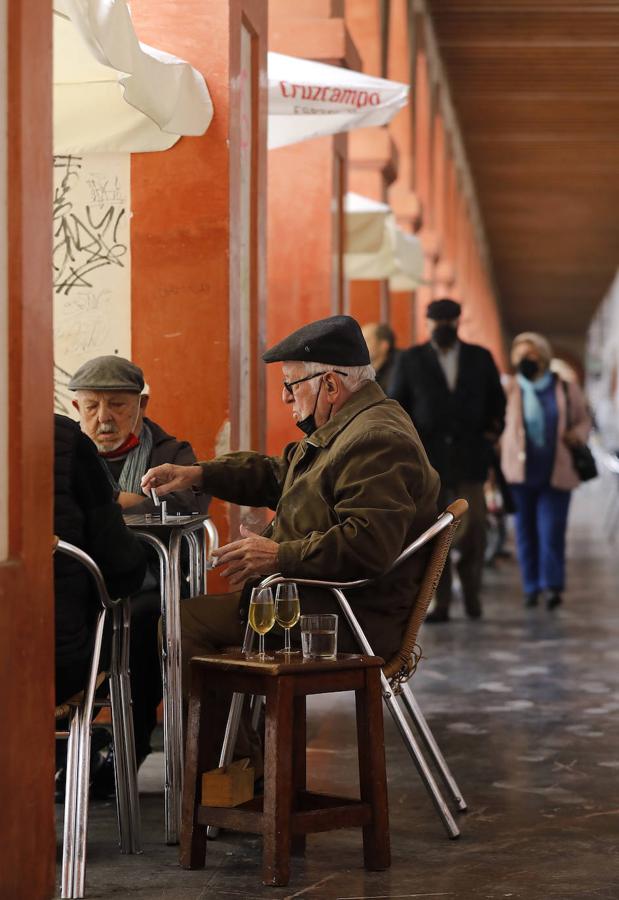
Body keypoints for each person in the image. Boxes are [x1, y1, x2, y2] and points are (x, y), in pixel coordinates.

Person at [141, 315, 440, 771]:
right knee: (196, 621)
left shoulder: (376, 439)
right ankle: (247, 766)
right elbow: (281, 474)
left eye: (292, 385)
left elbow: (370, 544)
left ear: (331, 386)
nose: (284, 397)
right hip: (323, 599)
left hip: (346, 615)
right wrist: (199, 473)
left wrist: (278, 554)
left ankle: (233, 774)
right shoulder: (351, 428)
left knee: (182, 626)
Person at [68, 355, 209, 792]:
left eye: (117, 405)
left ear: (142, 405)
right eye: (91, 406)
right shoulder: (68, 455)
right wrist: (118, 505)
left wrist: (132, 506)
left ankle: (131, 746)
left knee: (146, 620)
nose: (103, 418)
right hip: (84, 589)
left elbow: (190, 505)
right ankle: (68, 748)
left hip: (151, 584)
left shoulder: (169, 453)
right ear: (77, 410)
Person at [390, 298, 506, 622]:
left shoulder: (480, 358)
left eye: (449, 322)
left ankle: (471, 595)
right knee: (434, 534)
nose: (443, 328)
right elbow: (397, 406)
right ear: (427, 324)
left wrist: (491, 433)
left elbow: (498, 403)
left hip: (470, 461)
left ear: (458, 322)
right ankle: (439, 602)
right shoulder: (410, 360)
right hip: (429, 465)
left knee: (476, 530)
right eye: (437, 322)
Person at [54, 414, 147, 794]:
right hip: (53, 666)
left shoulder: (168, 449)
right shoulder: (65, 440)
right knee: (134, 620)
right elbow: (121, 567)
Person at [501, 332, 591, 609]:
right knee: (524, 531)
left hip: (557, 468)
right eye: (520, 355)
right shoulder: (511, 387)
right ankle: (531, 586)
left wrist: (577, 434)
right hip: (519, 471)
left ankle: (551, 586)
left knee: (551, 530)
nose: (525, 360)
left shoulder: (564, 388)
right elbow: (496, 422)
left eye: (531, 354)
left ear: (543, 356)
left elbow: (584, 419)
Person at [361, 322, 399, 393]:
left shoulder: (400, 369)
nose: (360, 345)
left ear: (383, 345)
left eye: (366, 340)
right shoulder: (360, 369)